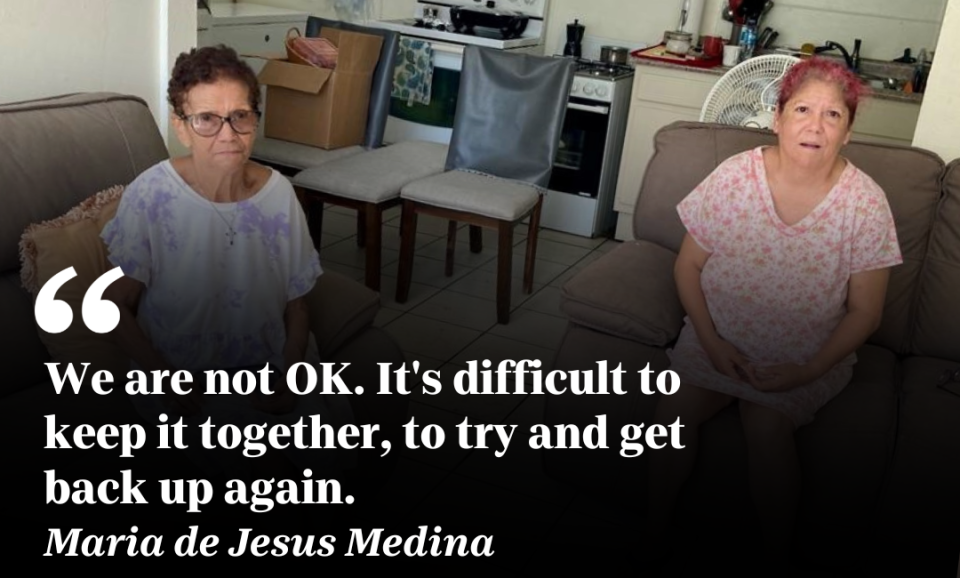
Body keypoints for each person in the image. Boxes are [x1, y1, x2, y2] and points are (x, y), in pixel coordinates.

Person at [646, 57, 903, 567]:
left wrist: (808, 369)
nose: (815, 124)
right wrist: (711, 343)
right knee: (673, 413)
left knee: (765, 424)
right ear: (777, 117)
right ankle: (651, 535)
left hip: (804, 353)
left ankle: (775, 556)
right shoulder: (735, 176)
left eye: (833, 115)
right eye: (803, 109)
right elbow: (687, 269)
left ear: (848, 133)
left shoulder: (866, 204)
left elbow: (865, 313)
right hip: (717, 336)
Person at [101, 45, 350, 482]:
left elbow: (297, 303)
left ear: (255, 118)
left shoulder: (280, 195)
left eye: (241, 115)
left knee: (333, 471)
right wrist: (161, 378)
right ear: (181, 126)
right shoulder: (152, 195)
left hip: (270, 365)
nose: (228, 134)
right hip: (187, 378)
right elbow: (112, 306)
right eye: (206, 119)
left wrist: (292, 369)